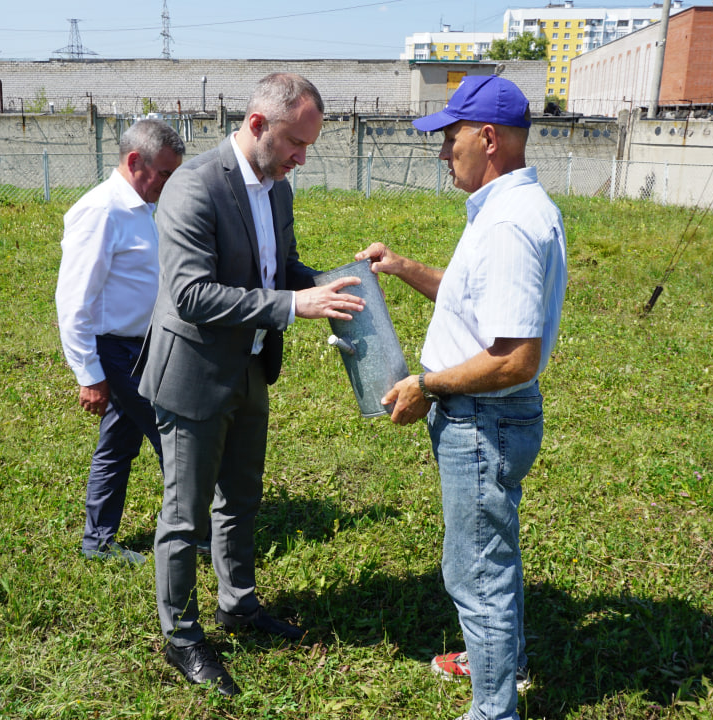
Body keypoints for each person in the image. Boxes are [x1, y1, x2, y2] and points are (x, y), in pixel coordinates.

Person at [139, 73, 365, 696]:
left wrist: (329, 284)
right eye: (295, 143)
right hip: (193, 373)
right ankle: (181, 635)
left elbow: (278, 268)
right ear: (258, 124)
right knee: (184, 515)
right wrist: (294, 305)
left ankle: (237, 605)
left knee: (241, 498)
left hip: (251, 365)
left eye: (308, 146)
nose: (301, 159)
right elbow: (191, 294)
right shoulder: (194, 185)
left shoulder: (277, 189)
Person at [356, 75, 567, 720]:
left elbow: (515, 357)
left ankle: (493, 709)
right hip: (487, 418)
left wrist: (427, 384)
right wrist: (403, 268)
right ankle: (500, 661)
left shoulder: (507, 224)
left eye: (451, 139)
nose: (444, 152)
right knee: (490, 553)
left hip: (483, 421)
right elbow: (477, 298)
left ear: (489, 139)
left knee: (476, 571)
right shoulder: (509, 209)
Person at [55, 118, 185, 565]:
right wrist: (89, 374)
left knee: (117, 446)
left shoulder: (143, 207)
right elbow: (74, 301)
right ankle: (187, 535)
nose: (169, 183)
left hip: (145, 346)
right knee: (175, 440)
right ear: (134, 161)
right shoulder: (101, 212)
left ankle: (98, 542)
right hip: (119, 351)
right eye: (164, 173)